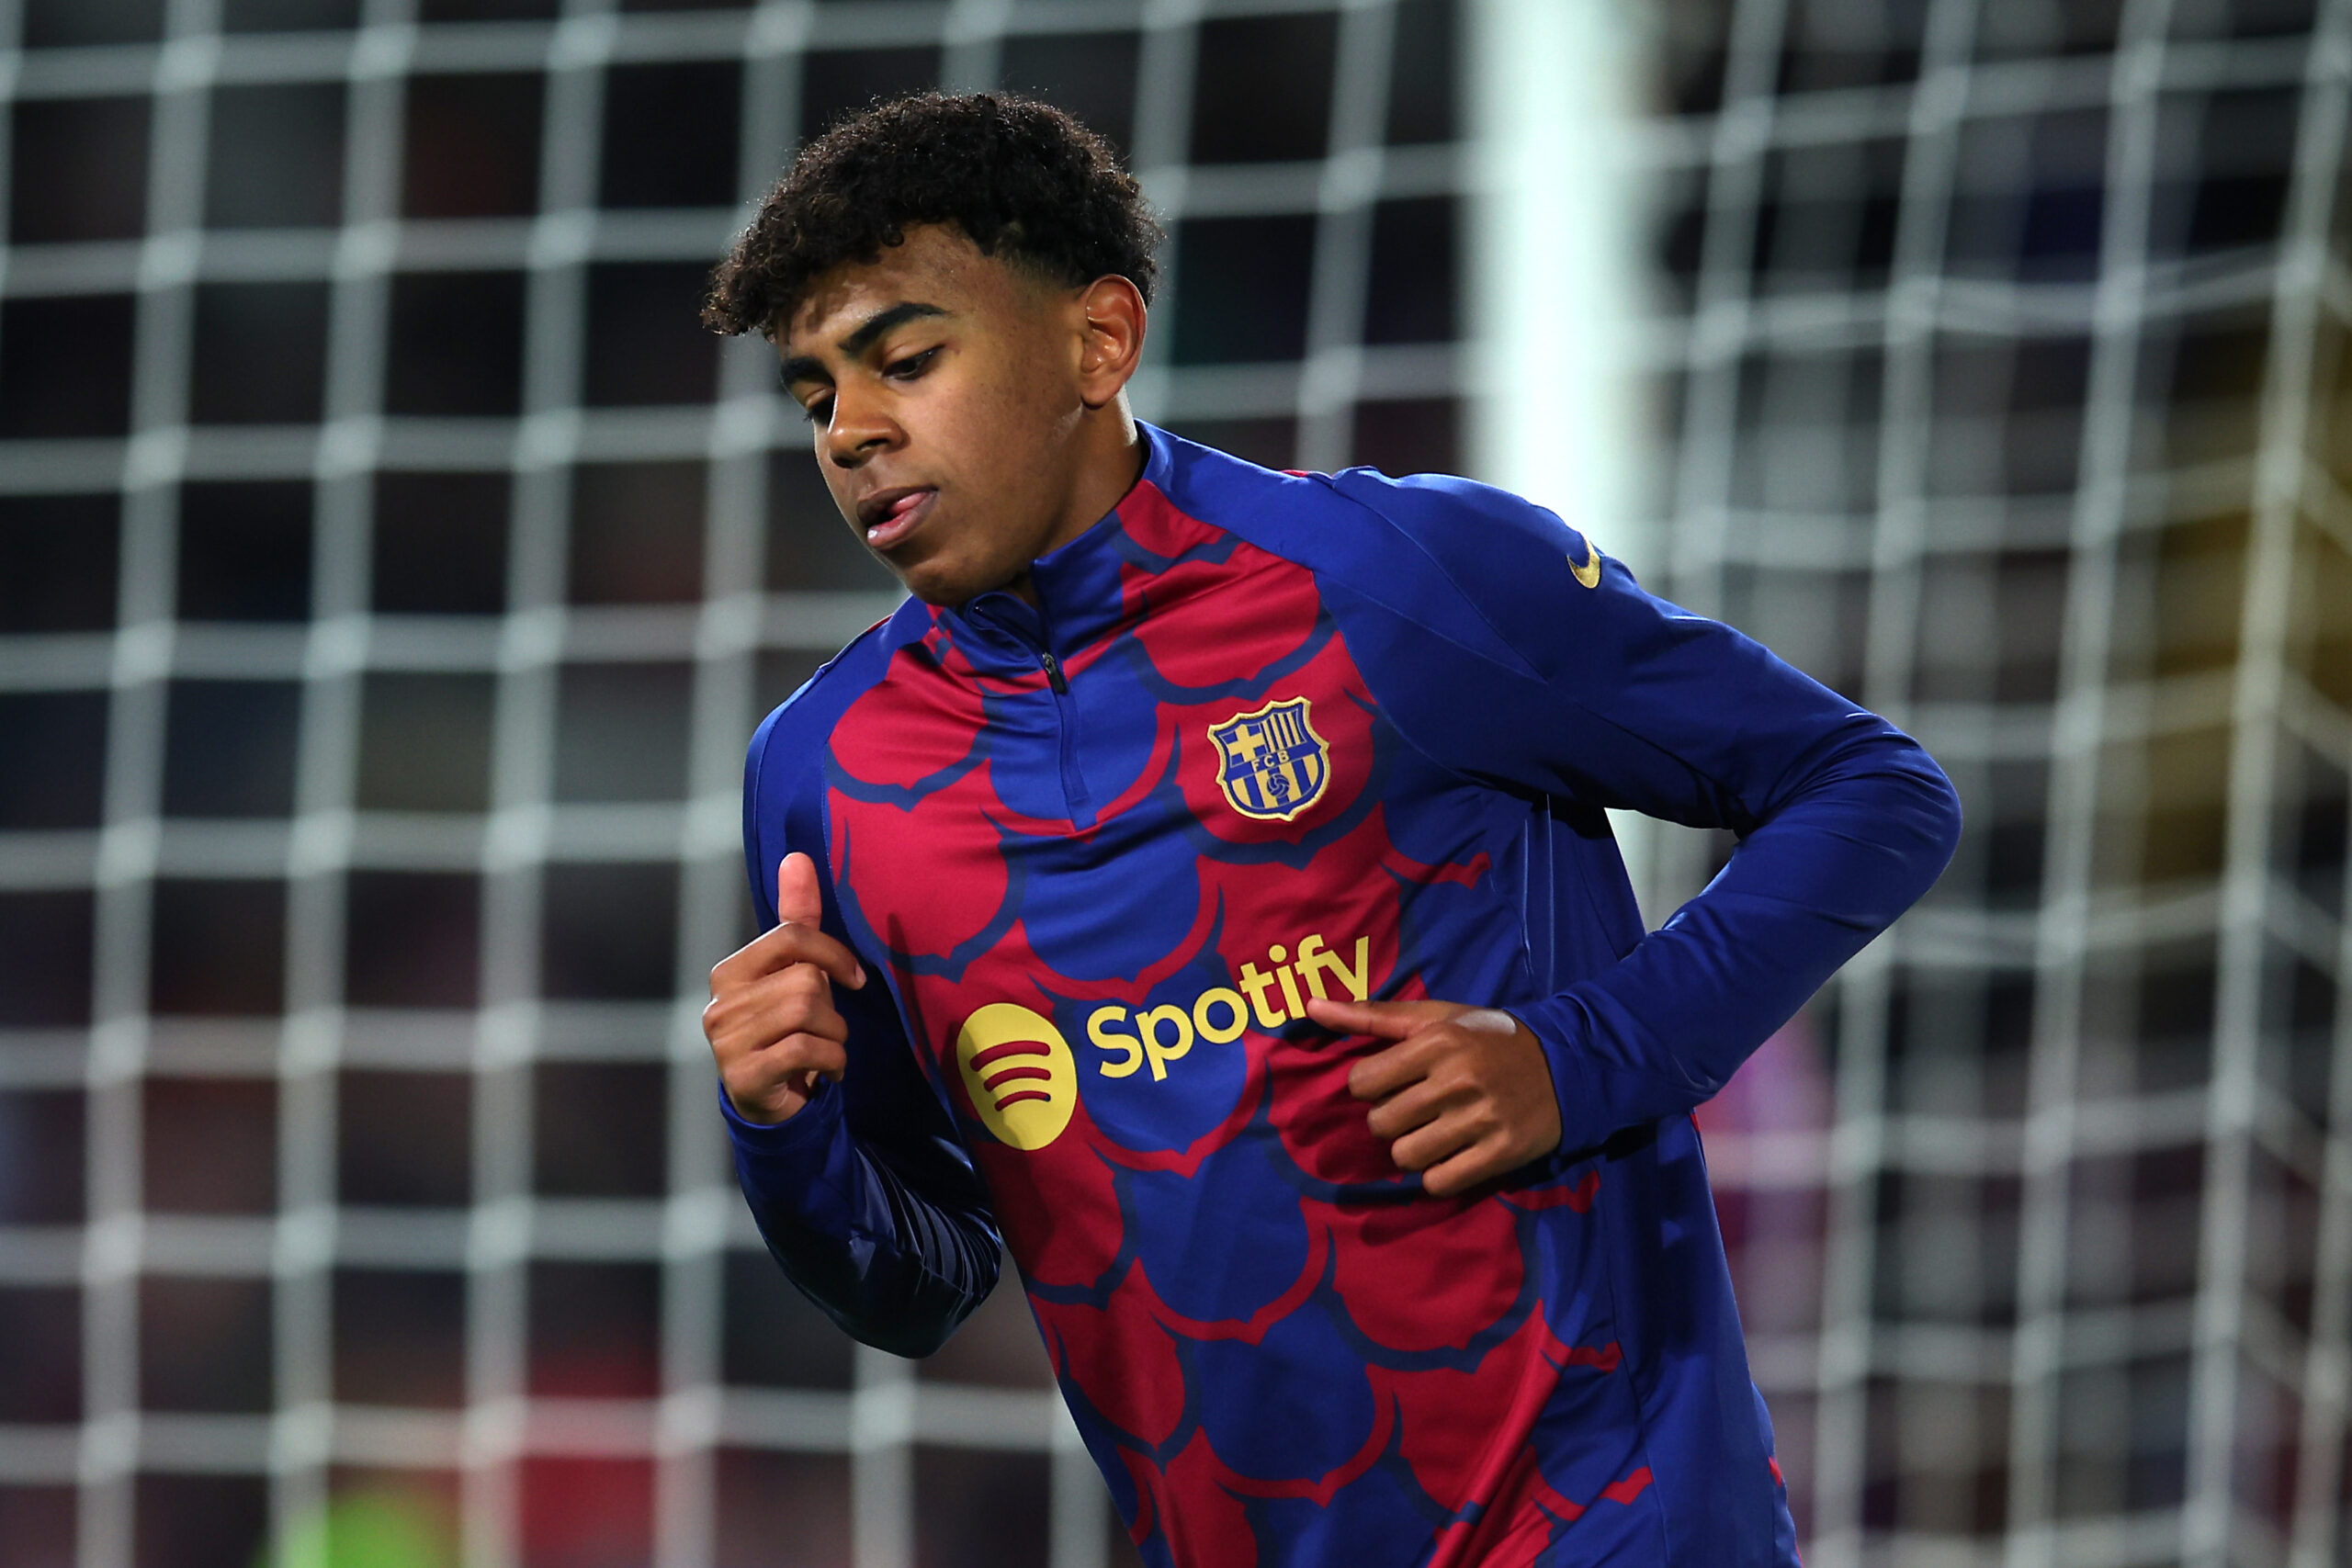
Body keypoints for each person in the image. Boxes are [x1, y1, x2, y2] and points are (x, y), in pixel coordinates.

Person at [697, 91, 1960, 1568]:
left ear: (1100, 341)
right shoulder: (829, 778)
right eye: (815, 395)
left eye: (905, 360)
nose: (852, 431)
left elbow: (1874, 791)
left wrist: (1579, 1059)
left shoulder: (1400, 580)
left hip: (1615, 1520)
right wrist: (782, 1133)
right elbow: (919, 1282)